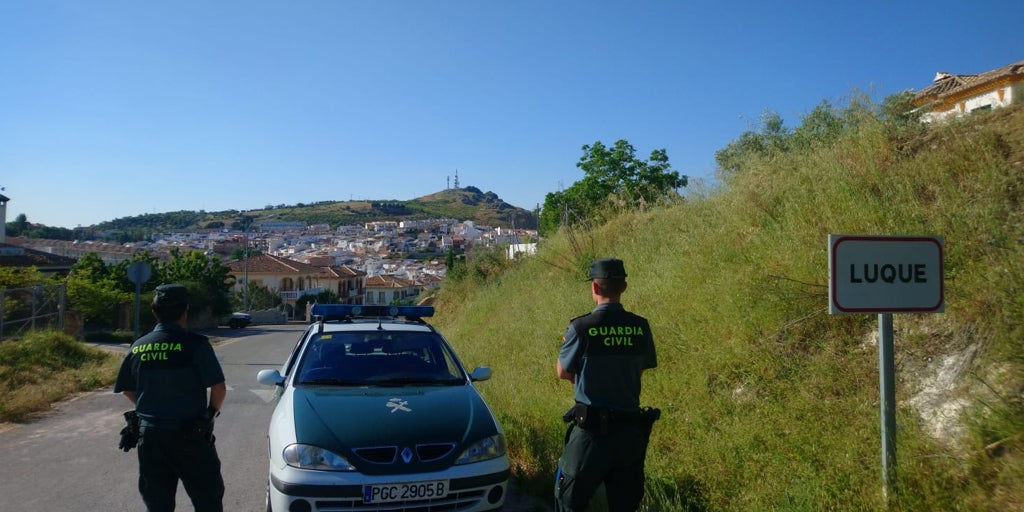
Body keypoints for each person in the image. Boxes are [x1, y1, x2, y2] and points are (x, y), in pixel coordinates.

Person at [555, 258, 658, 512]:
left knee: (568, 501)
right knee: (625, 505)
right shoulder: (640, 327)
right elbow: (640, 368)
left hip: (590, 435)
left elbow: (562, 372)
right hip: (630, 433)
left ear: (595, 288)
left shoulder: (580, 328)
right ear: (624, 287)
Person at [114, 284, 227, 512]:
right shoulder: (195, 345)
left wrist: (149, 405)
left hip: (151, 436)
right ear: (185, 311)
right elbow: (219, 387)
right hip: (190, 436)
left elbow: (127, 388)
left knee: (157, 503)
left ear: (155, 311)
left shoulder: (138, 347)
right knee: (207, 499)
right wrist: (210, 413)